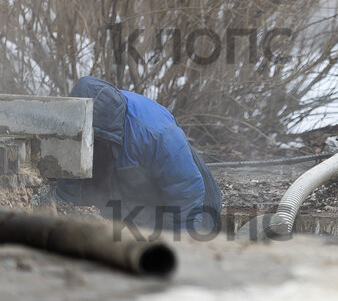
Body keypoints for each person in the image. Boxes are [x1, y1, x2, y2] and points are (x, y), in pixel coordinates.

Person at [56, 76, 222, 233]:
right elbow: (69, 184)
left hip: (194, 211)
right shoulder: (76, 125)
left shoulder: (157, 133)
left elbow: (187, 194)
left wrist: (178, 248)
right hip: (135, 204)